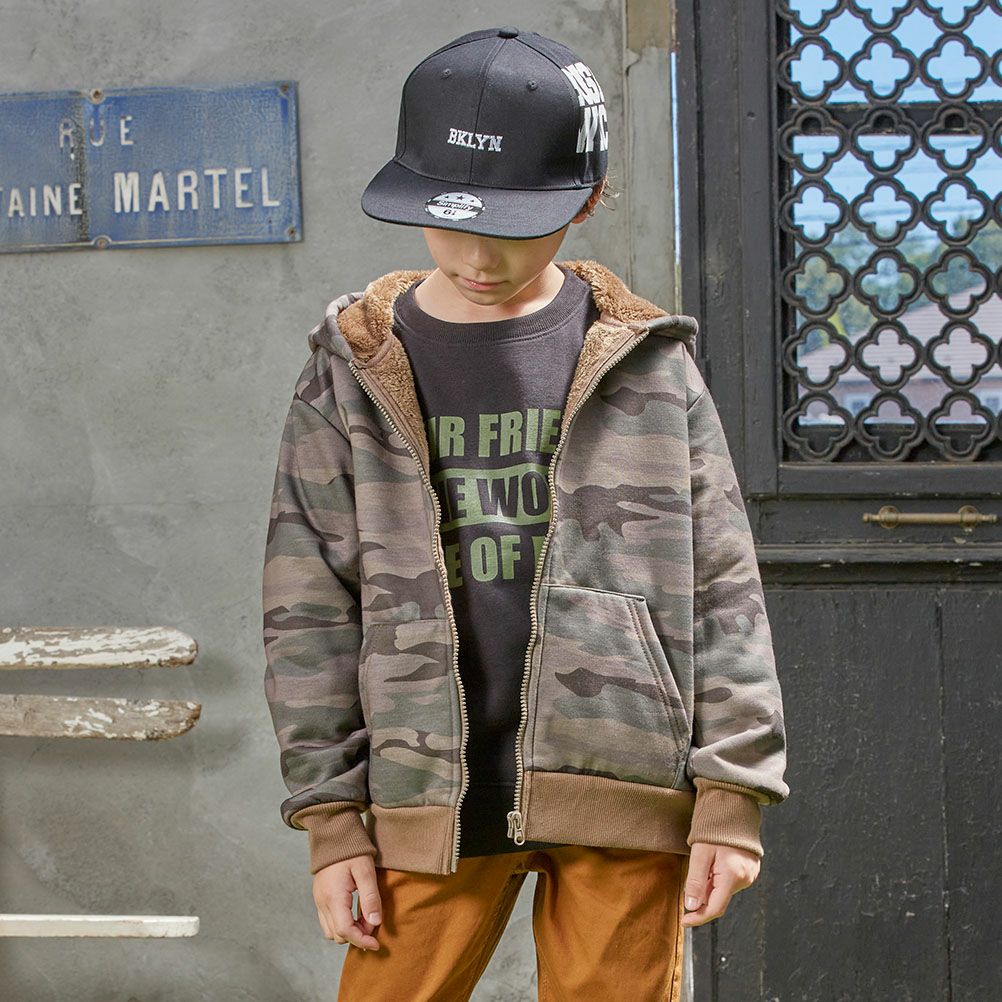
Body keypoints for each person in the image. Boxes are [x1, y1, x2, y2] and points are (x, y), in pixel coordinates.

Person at [262, 25, 789, 1002]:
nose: (477, 257)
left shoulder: (648, 366)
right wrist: (331, 821)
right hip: (424, 793)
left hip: (623, 782)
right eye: (446, 221)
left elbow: (725, 587)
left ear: (586, 198)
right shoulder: (350, 371)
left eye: (512, 226)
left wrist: (732, 792)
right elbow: (308, 610)